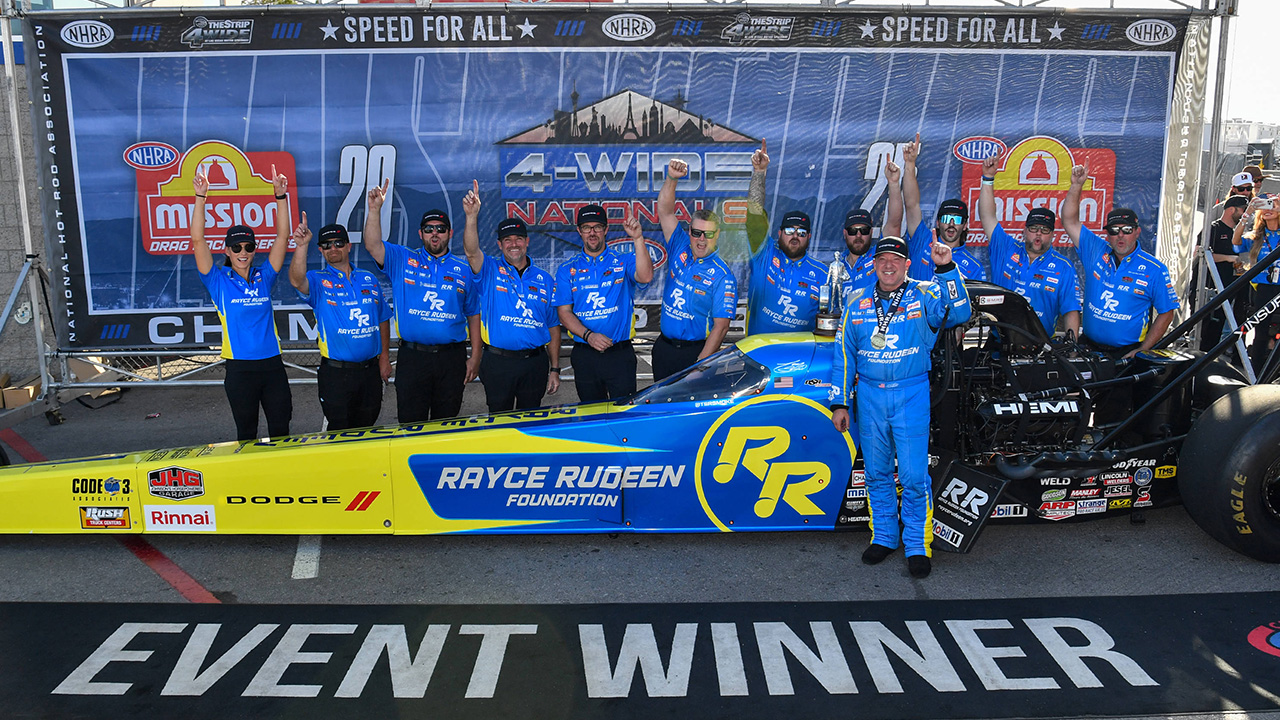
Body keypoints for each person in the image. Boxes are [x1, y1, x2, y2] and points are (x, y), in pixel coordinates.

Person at [828, 236, 971, 579]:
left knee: (912, 476)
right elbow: (844, 356)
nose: (888, 265)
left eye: (896, 259)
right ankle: (885, 537)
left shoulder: (926, 293)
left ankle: (918, 545)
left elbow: (961, 311)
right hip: (870, 397)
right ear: (874, 264)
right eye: (882, 260)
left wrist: (947, 268)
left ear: (907, 265)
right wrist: (840, 403)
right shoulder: (857, 301)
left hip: (911, 394)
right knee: (876, 473)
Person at [363, 181, 481, 423]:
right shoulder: (403, 259)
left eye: (440, 228)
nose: (434, 233)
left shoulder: (463, 268)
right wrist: (374, 210)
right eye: (428, 229)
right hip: (413, 358)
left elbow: (474, 313)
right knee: (410, 421)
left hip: (452, 358)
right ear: (421, 234)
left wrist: (476, 355)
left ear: (449, 233)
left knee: (446, 424)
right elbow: (373, 245)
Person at [192, 164, 292, 441]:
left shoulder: (265, 276)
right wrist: (201, 197)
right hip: (240, 368)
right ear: (227, 250)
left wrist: (280, 197)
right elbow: (198, 240)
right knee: (246, 433)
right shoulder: (217, 280)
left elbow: (282, 237)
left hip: (272, 365)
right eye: (236, 248)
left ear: (254, 249)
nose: (243, 252)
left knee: (281, 430)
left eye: (248, 247)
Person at [460, 181, 562, 412]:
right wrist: (471, 216)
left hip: (535, 363)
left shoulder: (545, 279)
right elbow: (471, 251)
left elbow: (553, 326)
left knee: (530, 421)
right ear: (499, 244)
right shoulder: (489, 270)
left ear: (527, 241)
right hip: (498, 363)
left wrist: (554, 369)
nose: (513, 244)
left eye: (518, 239)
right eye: (507, 240)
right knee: (498, 422)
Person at [1062, 161, 1179, 358]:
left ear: (1137, 232)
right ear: (1107, 234)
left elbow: (1167, 312)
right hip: (1089, 347)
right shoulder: (1096, 250)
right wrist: (1076, 185)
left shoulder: (1155, 269)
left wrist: (1143, 350)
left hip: (1126, 353)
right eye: (1114, 231)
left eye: (1127, 230)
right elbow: (1069, 220)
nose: (1121, 236)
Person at [288, 214, 392, 430]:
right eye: (326, 245)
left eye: (338, 243)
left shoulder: (368, 278)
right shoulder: (317, 280)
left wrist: (384, 358)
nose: (333, 248)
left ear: (348, 246)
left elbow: (382, 319)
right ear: (321, 250)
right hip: (336, 373)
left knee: (367, 428)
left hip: (370, 371)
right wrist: (301, 246)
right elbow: (297, 281)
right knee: (339, 431)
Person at [554, 204, 653, 402]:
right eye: (586, 228)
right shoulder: (567, 269)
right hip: (585, 354)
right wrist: (589, 336)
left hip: (619, 354)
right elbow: (564, 312)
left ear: (606, 230)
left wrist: (638, 238)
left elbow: (646, 276)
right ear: (579, 231)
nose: (592, 233)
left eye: (597, 227)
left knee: (623, 414)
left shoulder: (623, 260)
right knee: (592, 416)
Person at [977, 154, 1081, 338]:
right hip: (999, 341)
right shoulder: (1006, 248)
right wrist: (988, 178)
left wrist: (1072, 349)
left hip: (1040, 346)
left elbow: (1071, 310)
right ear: (1024, 231)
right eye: (1034, 228)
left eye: (1045, 230)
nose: (1038, 234)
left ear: (1053, 235)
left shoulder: (1063, 267)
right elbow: (987, 216)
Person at [652, 159, 738, 380]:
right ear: (689, 231)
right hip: (664, 348)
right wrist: (671, 178)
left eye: (708, 234)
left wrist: (701, 364)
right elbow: (665, 210)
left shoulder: (723, 275)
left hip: (694, 353)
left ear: (717, 235)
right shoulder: (679, 244)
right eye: (696, 232)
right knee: (659, 412)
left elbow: (721, 327)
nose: (701, 240)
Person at [744, 138, 828, 335]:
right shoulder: (764, 253)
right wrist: (759, 173)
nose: (795, 236)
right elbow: (754, 214)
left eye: (801, 232)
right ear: (779, 233)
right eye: (790, 231)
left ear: (809, 237)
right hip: (758, 353)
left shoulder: (823, 274)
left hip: (799, 359)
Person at [901, 133, 987, 282]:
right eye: (947, 218)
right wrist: (910, 163)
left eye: (957, 219)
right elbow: (911, 204)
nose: (952, 224)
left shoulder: (974, 268)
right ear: (938, 222)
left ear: (965, 225)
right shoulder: (922, 239)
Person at [839, 159, 903, 301]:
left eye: (864, 230)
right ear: (845, 234)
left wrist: (893, 184)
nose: (859, 235)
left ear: (872, 232)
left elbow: (894, 224)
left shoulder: (879, 256)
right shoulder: (837, 265)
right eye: (853, 231)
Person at [1199, 195, 1249, 352]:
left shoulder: (1237, 234)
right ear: (1232, 209)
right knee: (1206, 329)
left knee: (1219, 327)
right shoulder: (1213, 229)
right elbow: (1199, 253)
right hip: (1209, 289)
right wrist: (1227, 258)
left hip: (1227, 288)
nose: (1245, 214)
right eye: (1243, 210)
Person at [1240, 197, 1280, 372]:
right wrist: (1247, 213)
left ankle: (1274, 371)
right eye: (1264, 206)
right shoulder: (1257, 236)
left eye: (1273, 205)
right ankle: (1255, 372)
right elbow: (1235, 243)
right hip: (1262, 289)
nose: (1268, 208)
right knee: (1260, 333)